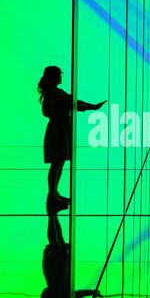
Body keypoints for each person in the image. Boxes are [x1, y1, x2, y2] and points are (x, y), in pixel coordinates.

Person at [38, 66, 106, 211]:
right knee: (57, 164)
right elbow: (73, 103)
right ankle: (51, 195)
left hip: (60, 129)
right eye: (59, 74)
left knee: (59, 163)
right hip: (58, 131)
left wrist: (91, 106)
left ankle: (54, 193)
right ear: (55, 76)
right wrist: (92, 107)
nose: (61, 76)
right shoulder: (54, 93)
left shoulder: (55, 92)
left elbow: (72, 101)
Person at [35, 214, 103, 298]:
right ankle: (52, 213)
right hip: (52, 271)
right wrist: (90, 294)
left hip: (57, 272)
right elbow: (71, 297)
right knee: (57, 242)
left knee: (57, 242)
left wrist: (91, 297)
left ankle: (52, 211)